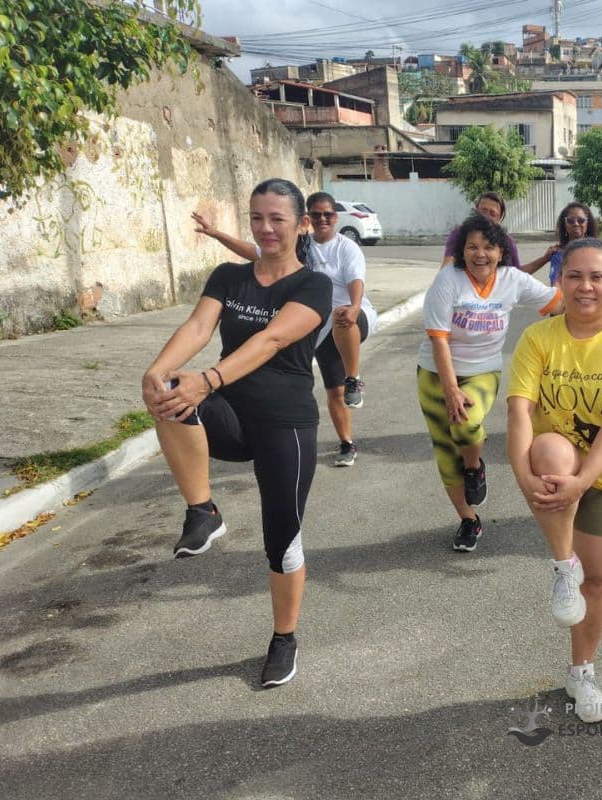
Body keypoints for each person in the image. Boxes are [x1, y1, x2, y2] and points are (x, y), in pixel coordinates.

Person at [143, 178, 332, 688]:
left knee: (282, 540)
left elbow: (272, 340)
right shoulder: (229, 276)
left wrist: (207, 379)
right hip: (230, 411)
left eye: (277, 219)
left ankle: (284, 638)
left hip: (286, 424)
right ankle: (203, 511)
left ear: (302, 225)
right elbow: (197, 328)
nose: (265, 228)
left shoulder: (313, 285)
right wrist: (157, 371)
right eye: (256, 218)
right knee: (169, 397)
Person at [507, 238, 602, 724]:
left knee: (597, 579)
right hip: (557, 466)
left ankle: (581, 672)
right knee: (550, 448)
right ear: (560, 280)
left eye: (597, 277)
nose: (585, 286)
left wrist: (584, 482)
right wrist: (522, 475)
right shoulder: (538, 338)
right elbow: (519, 412)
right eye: (574, 276)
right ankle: (561, 566)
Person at [191, 190, 378, 468]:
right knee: (333, 391)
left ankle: (353, 377)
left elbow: (356, 281)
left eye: (328, 214)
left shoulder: (346, 248)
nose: (323, 219)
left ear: (335, 218)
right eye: (317, 214)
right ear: (307, 220)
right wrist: (215, 233)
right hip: (315, 323)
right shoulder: (299, 245)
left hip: (350, 316)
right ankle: (346, 443)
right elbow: (252, 251)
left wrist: (354, 306)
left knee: (342, 317)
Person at [419, 213, 562, 552]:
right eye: (472, 247)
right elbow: (439, 339)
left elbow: (559, 304)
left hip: (482, 369)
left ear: (501, 252)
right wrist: (450, 389)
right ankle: (469, 519)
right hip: (435, 372)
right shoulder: (448, 280)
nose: (480, 254)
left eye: (488, 247)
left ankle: (474, 467)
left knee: (466, 425)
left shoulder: (513, 279)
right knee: (445, 453)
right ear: (461, 251)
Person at [440, 192, 534, 272]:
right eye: (483, 211)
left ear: (499, 218)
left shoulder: (507, 241)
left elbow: (517, 273)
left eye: (492, 214)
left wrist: (542, 260)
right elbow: (448, 263)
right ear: (476, 210)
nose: (486, 216)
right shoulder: (459, 234)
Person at [544, 202, 599, 287]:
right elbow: (556, 286)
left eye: (581, 220)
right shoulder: (558, 255)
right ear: (565, 225)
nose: (576, 224)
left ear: (588, 223)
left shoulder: (599, 253)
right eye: (570, 221)